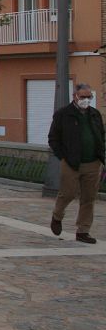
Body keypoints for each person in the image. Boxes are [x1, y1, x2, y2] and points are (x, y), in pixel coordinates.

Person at [48, 84, 104, 244]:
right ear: (75, 96)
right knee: (68, 193)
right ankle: (57, 216)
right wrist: (62, 156)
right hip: (71, 162)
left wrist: (101, 154)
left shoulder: (94, 114)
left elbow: (101, 134)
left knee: (89, 198)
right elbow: (53, 138)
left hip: (93, 162)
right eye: (83, 97)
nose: (86, 100)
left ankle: (83, 231)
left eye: (89, 97)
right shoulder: (63, 114)